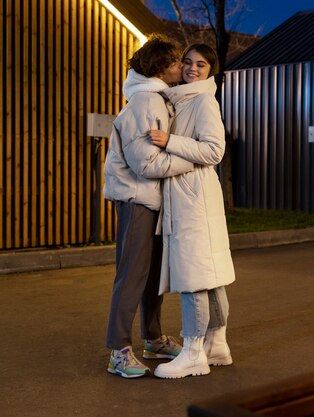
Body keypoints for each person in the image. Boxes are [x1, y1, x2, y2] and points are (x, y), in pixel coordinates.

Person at [103, 35, 194, 379]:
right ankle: (118, 350)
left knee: (152, 274)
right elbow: (146, 164)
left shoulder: (156, 99)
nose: (181, 68)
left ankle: (153, 340)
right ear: (160, 67)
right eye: (175, 63)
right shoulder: (146, 103)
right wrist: (192, 160)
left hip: (151, 199)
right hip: (136, 198)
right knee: (132, 274)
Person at [146, 44, 236, 379]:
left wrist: (169, 142)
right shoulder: (185, 97)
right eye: (187, 62)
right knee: (209, 276)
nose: (191, 68)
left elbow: (215, 150)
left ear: (210, 70)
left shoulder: (202, 100)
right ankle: (217, 345)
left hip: (193, 198)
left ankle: (193, 352)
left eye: (200, 64)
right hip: (194, 195)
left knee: (193, 276)